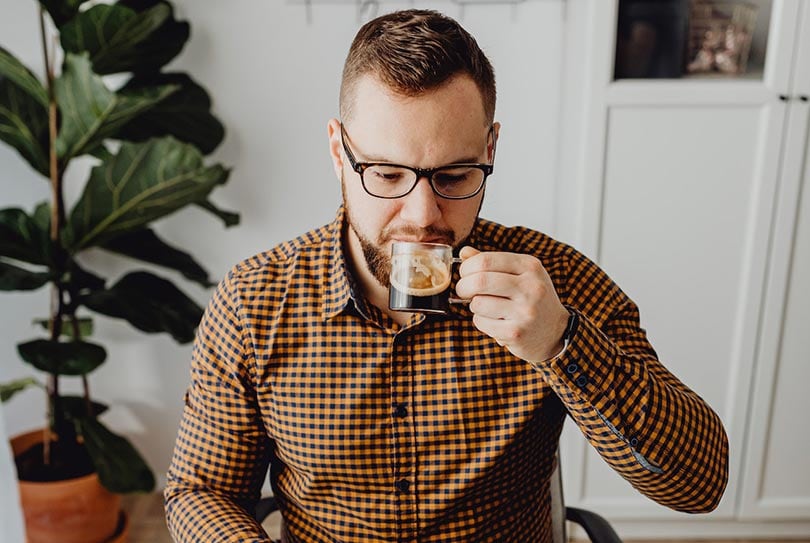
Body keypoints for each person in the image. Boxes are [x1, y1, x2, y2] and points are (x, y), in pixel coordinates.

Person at [164, 9, 729, 542]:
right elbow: (200, 490)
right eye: (386, 175)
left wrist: (562, 343)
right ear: (339, 152)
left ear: (490, 148)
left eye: (456, 175)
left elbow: (699, 485)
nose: (423, 217)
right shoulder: (254, 300)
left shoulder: (552, 283)